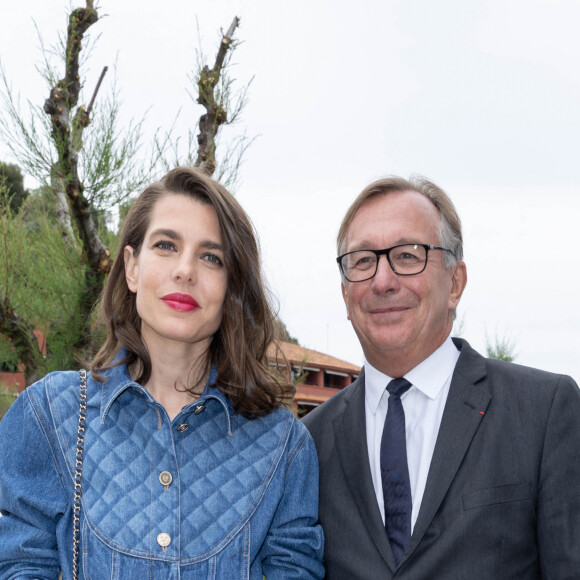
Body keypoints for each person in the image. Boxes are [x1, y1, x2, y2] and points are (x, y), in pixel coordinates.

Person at [0, 167, 324, 579]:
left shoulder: (284, 445)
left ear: (232, 287)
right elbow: (19, 564)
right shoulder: (49, 414)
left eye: (211, 257)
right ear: (132, 268)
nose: (185, 270)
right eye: (167, 245)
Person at [303, 176, 580, 579]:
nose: (382, 281)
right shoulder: (308, 443)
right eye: (363, 261)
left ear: (455, 283)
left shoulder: (544, 412)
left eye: (408, 255)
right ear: (345, 295)